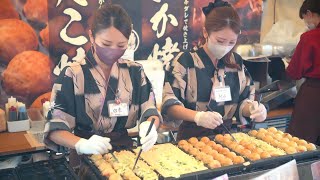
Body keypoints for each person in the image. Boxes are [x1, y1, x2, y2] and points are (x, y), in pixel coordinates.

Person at [44, 4, 162, 168]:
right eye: (106, 44)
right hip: (86, 161)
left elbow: (150, 110)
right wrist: (81, 144)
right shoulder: (72, 74)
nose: (113, 50)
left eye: (121, 45)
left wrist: (151, 126)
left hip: (126, 157)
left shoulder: (135, 71)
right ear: (92, 36)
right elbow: (55, 128)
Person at [161, 0, 267, 140]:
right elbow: (169, 105)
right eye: (220, 41)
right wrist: (198, 116)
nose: (226, 47)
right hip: (192, 139)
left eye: (231, 42)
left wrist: (255, 110)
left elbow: (244, 100)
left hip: (227, 138)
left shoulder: (235, 62)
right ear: (206, 32)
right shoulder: (185, 61)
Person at [286, 0, 320, 145]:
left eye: (304, 18)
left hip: (314, 95)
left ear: (308, 14)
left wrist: (287, 64)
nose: (306, 22)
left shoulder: (310, 37)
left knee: (302, 143)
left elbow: (295, 72)